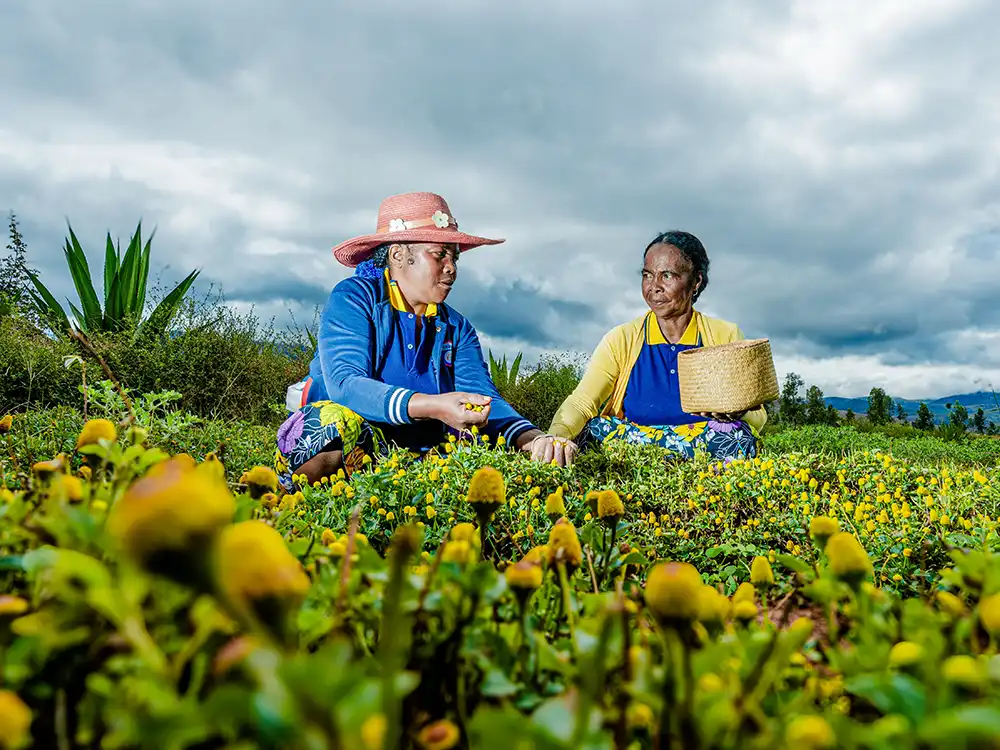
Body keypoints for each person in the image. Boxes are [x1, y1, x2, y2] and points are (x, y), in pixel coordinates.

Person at [275, 192, 576, 491]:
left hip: (422, 461)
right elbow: (346, 384)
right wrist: (433, 406)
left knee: (484, 451)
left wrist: (535, 439)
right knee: (325, 426)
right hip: (359, 449)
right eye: (439, 254)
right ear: (397, 256)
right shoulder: (354, 299)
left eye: (454, 256)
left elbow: (483, 397)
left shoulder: (456, 328)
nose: (452, 267)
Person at [548, 230, 766, 462]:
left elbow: (758, 416)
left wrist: (739, 412)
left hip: (703, 443)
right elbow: (583, 401)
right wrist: (555, 437)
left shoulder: (725, 335)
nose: (654, 287)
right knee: (595, 428)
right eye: (647, 275)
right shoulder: (622, 338)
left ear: (696, 281)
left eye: (668, 276)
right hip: (635, 442)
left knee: (737, 435)